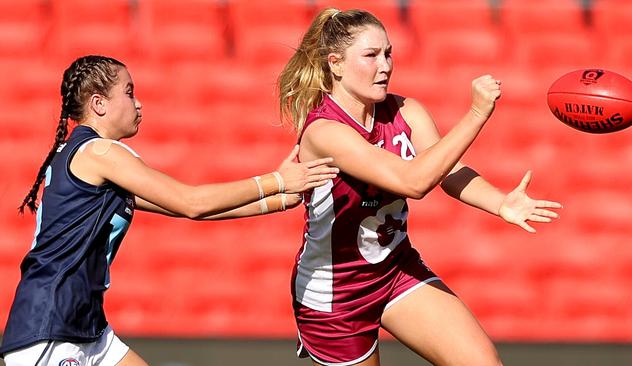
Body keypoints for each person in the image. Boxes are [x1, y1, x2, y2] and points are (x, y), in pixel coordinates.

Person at [0, 55, 338, 366]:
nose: (138, 102)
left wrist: (281, 198)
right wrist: (278, 180)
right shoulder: (100, 153)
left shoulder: (87, 156)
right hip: (50, 327)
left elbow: (191, 209)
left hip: (85, 325)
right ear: (99, 104)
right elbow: (191, 202)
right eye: (129, 92)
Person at [277, 8, 562, 366]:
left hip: (395, 269)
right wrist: (475, 115)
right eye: (371, 56)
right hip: (336, 296)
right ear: (335, 64)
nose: (385, 65)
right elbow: (413, 181)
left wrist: (501, 202)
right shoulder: (325, 133)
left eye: (388, 53)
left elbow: (446, 170)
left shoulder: (405, 110)